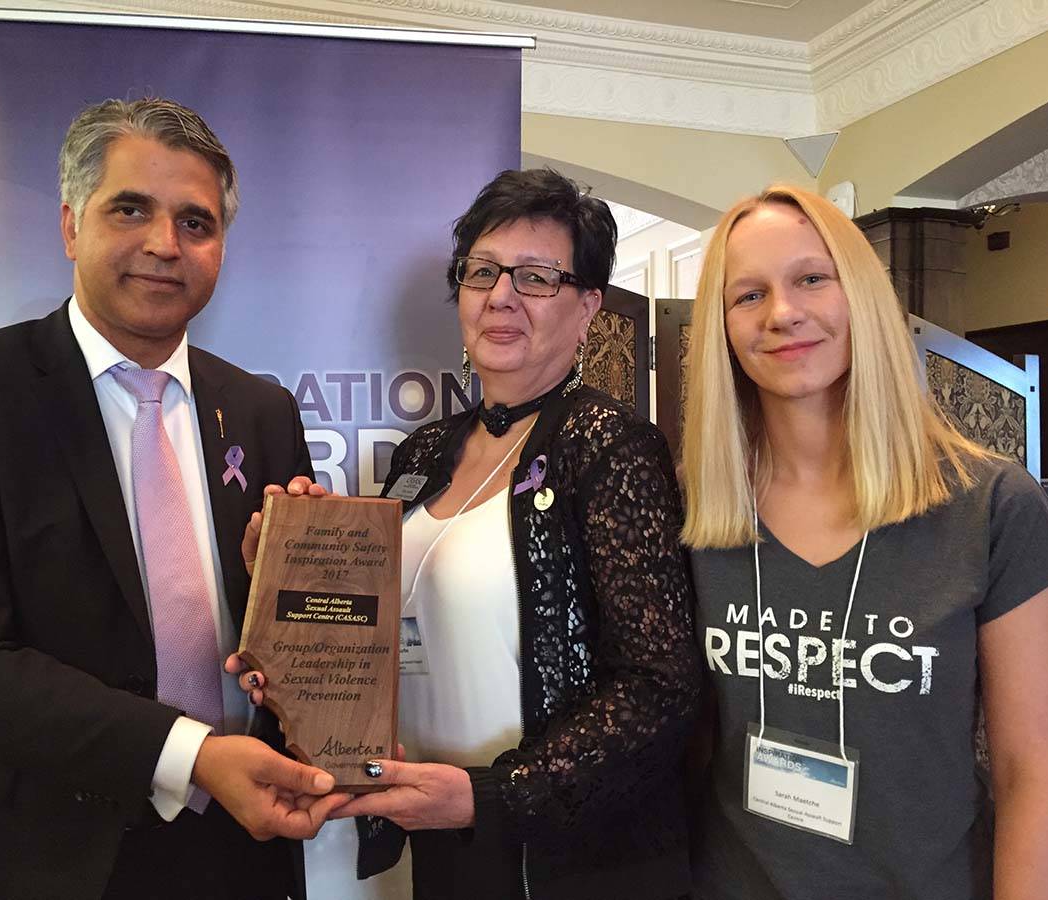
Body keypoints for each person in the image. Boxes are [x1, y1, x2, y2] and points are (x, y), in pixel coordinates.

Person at [0, 98, 346, 900]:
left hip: (233, 849)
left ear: (221, 247)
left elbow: (281, 648)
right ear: (70, 224)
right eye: (131, 209)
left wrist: (290, 595)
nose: (166, 244)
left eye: (196, 223)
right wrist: (191, 754)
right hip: (18, 853)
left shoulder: (263, 410)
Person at [237, 168, 702, 900]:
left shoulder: (608, 447)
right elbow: (378, 634)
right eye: (483, 272)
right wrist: (289, 582)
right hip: (438, 838)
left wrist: (494, 795)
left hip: (567, 861)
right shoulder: (425, 451)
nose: (502, 295)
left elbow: (660, 690)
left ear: (587, 309)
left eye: (537, 277)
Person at [680, 184, 1048, 900]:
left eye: (810, 278)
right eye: (748, 295)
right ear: (721, 329)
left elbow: (1036, 776)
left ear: (859, 293)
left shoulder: (990, 506)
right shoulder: (693, 509)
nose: (783, 314)